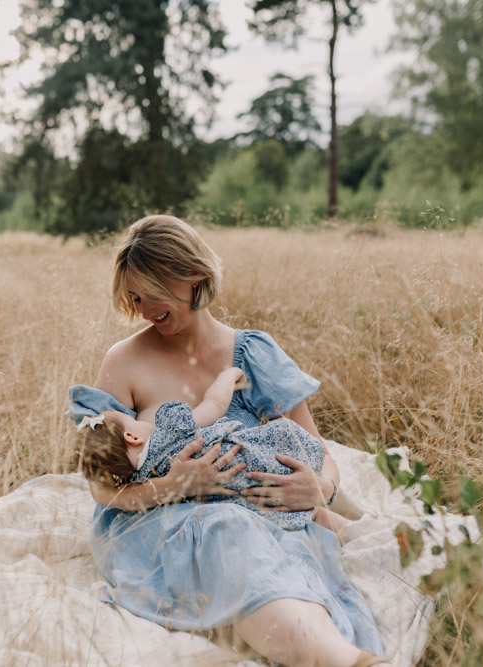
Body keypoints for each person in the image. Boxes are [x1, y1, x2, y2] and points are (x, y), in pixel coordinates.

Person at [66, 215, 389, 666]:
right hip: (160, 523)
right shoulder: (123, 361)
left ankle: (346, 657)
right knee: (226, 530)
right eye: (134, 297)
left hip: (257, 510)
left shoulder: (255, 354)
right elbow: (100, 484)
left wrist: (320, 490)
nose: (143, 309)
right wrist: (174, 486)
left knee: (270, 544)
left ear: (192, 278)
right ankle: (338, 660)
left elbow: (317, 449)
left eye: (153, 294)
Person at [75, 365, 339, 532]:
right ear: (132, 436)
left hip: (245, 506)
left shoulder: (140, 482)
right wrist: (228, 375)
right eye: (131, 418)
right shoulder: (170, 430)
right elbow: (214, 404)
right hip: (261, 462)